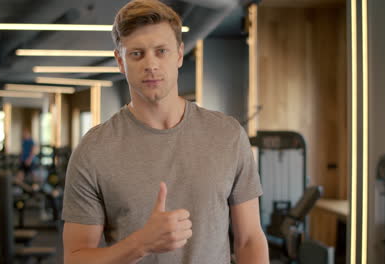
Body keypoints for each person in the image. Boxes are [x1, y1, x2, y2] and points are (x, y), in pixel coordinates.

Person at [61, 0, 269, 263]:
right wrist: (141, 243)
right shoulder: (94, 150)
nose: (151, 64)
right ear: (120, 61)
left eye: (161, 51)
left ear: (180, 55)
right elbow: (75, 258)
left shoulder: (227, 135)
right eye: (137, 53)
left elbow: (250, 239)